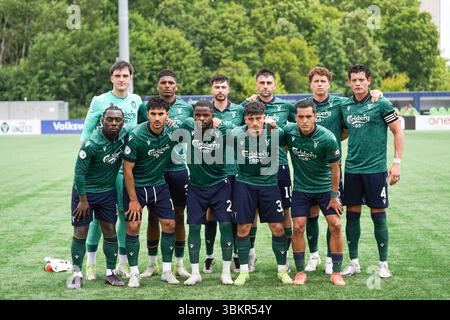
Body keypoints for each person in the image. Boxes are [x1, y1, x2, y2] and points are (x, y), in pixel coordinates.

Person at [301, 67, 383, 275]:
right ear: (310, 84)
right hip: (307, 171)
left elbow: (348, 125)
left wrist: (377, 92)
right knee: (310, 216)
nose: (319, 84)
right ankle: (313, 256)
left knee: (333, 217)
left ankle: (330, 258)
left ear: (329, 84)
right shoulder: (302, 107)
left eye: (323, 81)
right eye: (316, 81)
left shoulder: (341, 103)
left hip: (332, 171)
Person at [81, 61, 144, 281]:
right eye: (117, 75)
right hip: (103, 168)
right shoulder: (100, 101)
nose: (121, 79)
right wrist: (85, 160)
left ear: (130, 78)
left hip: (125, 167)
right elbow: (87, 131)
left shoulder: (136, 101)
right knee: (99, 218)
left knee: (125, 215)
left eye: (125, 75)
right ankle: (90, 263)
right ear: (111, 78)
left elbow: (143, 127)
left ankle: (122, 263)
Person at [340, 64, 404, 278]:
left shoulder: (381, 103)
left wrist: (396, 162)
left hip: (375, 170)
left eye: (361, 80)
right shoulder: (345, 106)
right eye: (354, 80)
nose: (358, 83)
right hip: (352, 170)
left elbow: (398, 131)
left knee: (378, 214)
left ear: (368, 81)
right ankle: (354, 262)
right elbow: (342, 131)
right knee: (352, 215)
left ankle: (383, 263)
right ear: (349, 82)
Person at [283, 100, 346, 286]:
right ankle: (300, 272)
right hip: (301, 189)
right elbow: (270, 136)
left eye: (308, 117)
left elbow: (336, 169)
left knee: (335, 225)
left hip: (325, 188)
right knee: (298, 227)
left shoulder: (327, 138)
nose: (304, 121)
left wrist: (335, 196)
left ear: (315, 117)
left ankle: (336, 272)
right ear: (295, 117)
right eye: (301, 117)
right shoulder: (289, 132)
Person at [67, 106, 128, 289]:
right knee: (80, 232)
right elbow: (79, 174)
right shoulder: (91, 143)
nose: (114, 123)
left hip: (107, 193)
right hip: (85, 193)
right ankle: (77, 273)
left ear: (122, 122)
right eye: (110, 119)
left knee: (110, 231)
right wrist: (83, 200)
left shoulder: (125, 137)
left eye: (118, 120)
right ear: (102, 120)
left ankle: (110, 272)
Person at [231, 101, 291, 286]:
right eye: (251, 119)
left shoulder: (276, 133)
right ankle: (243, 271)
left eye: (259, 118)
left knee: (278, 227)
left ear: (265, 118)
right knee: (243, 228)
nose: (255, 123)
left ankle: (282, 270)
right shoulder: (236, 135)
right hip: (244, 185)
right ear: (245, 120)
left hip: (269, 185)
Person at [122, 96, 180, 288]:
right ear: (147, 115)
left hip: (159, 185)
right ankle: (134, 273)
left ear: (167, 115)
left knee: (170, 224)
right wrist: (132, 200)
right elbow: (128, 169)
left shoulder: (172, 131)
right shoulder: (136, 135)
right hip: (137, 187)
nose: (157, 118)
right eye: (153, 114)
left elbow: (194, 126)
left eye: (161, 114)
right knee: (133, 226)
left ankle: (166, 270)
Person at [140, 70, 192, 280]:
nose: (168, 86)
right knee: (153, 217)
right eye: (164, 83)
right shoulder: (147, 107)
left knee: (179, 216)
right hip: (155, 171)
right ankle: (152, 264)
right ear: (158, 85)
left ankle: (179, 264)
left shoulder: (186, 108)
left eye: (171, 83)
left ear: (176, 86)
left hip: (178, 170)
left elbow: (190, 133)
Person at [241, 69, 295, 273]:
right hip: (254, 167)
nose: (265, 86)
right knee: (252, 211)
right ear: (256, 85)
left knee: (285, 211)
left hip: (279, 165)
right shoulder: (246, 106)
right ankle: (250, 253)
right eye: (261, 82)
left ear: (274, 85)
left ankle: (285, 255)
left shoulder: (286, 106)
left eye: (268, 83)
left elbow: (298, 126)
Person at [181, 100, 235, 285]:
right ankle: (195, 272)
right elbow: (174, 123)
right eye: (198, 115)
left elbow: (241, 130)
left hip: (220, 185)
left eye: (206, 115)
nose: (201, 118)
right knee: (194, 227)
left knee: (226, 226)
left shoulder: (223, 129)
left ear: (213, 115)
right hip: (195, 187)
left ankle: (226, 272)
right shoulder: (188, 125)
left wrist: (224, 123)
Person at [204, 74, 244, 274]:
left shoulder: (239, 110)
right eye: (217, 87)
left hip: (235, 169)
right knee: (210, 214)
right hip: (211, 171)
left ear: (228, 89)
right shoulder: (204, 111)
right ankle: (209, 256)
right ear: (212, 89)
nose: (220, 90)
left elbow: (246, 130)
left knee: (235, 213)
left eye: (223, 87)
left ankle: (236, 255)